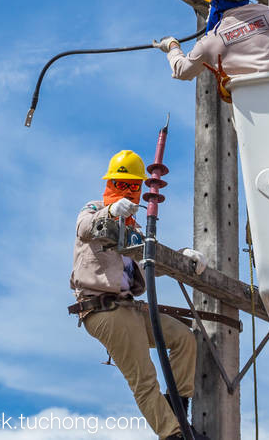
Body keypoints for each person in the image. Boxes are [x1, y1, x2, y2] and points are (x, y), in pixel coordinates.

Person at [68, 150, 198, 440]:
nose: (126, 191)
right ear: (110, 182)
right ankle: (173, 434)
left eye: (132, 185)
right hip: (103, 310)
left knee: (184, 339)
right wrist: (110, 213)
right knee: (144, 376)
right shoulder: (93, 209)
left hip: (130, 308)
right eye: (120, 183)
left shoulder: (135, 229)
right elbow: (85, 228)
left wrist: (183, 258)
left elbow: (150, 264)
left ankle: (177, 412)